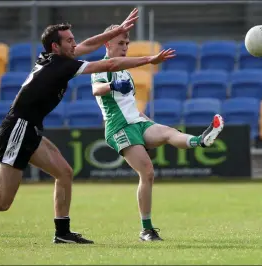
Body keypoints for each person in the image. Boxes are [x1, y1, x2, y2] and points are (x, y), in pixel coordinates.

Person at [0, 8, 176, 244]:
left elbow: (88, 45)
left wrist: (118, 31)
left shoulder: (53, 58)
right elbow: (110, 63)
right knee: (1, 201)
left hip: (29, 129)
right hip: (18, 129)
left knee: (64, 173)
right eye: (70, 41)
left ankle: (62, 233)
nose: (76, 44)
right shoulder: (62, 66)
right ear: (56, 46)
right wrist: (149, 59)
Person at [91, 24, 224, 242]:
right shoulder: (101, 67)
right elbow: (96, 90)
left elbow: (130, 107)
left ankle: (202, 140)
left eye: (126, 43)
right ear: (107, 43)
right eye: (120, 43)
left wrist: (152, 124)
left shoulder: (123, 69)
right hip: (118, 127)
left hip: (137, 121)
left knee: (169, 133)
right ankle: (146, 230)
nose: (125, 47)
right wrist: (113, 85)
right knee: (148, 173)